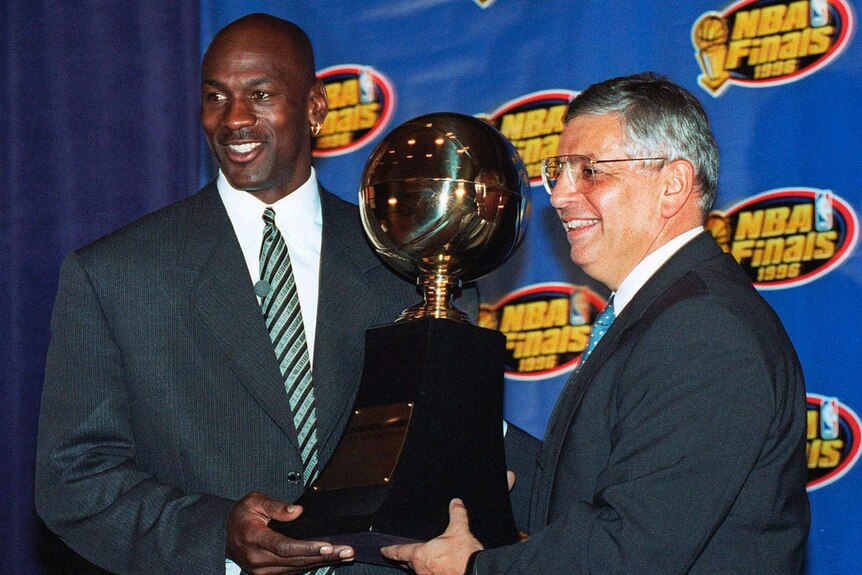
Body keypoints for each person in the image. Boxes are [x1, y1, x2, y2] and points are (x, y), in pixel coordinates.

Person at [35, 13, 456, 575]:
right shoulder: (115, 275)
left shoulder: (406, 266)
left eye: (260, 94)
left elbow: (447, 455)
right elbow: (74, 479)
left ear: (314, 108)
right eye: (216, 97)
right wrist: (218, 535)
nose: (234, 119)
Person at [381, 72, 810, 574]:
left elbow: (630, 550)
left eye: (589, 172)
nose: (560, 196)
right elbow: (577, 494)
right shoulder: (666, 311)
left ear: (672, 186)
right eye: (558, 172)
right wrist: (462, 424)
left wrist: (474, 570)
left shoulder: (702, 328)